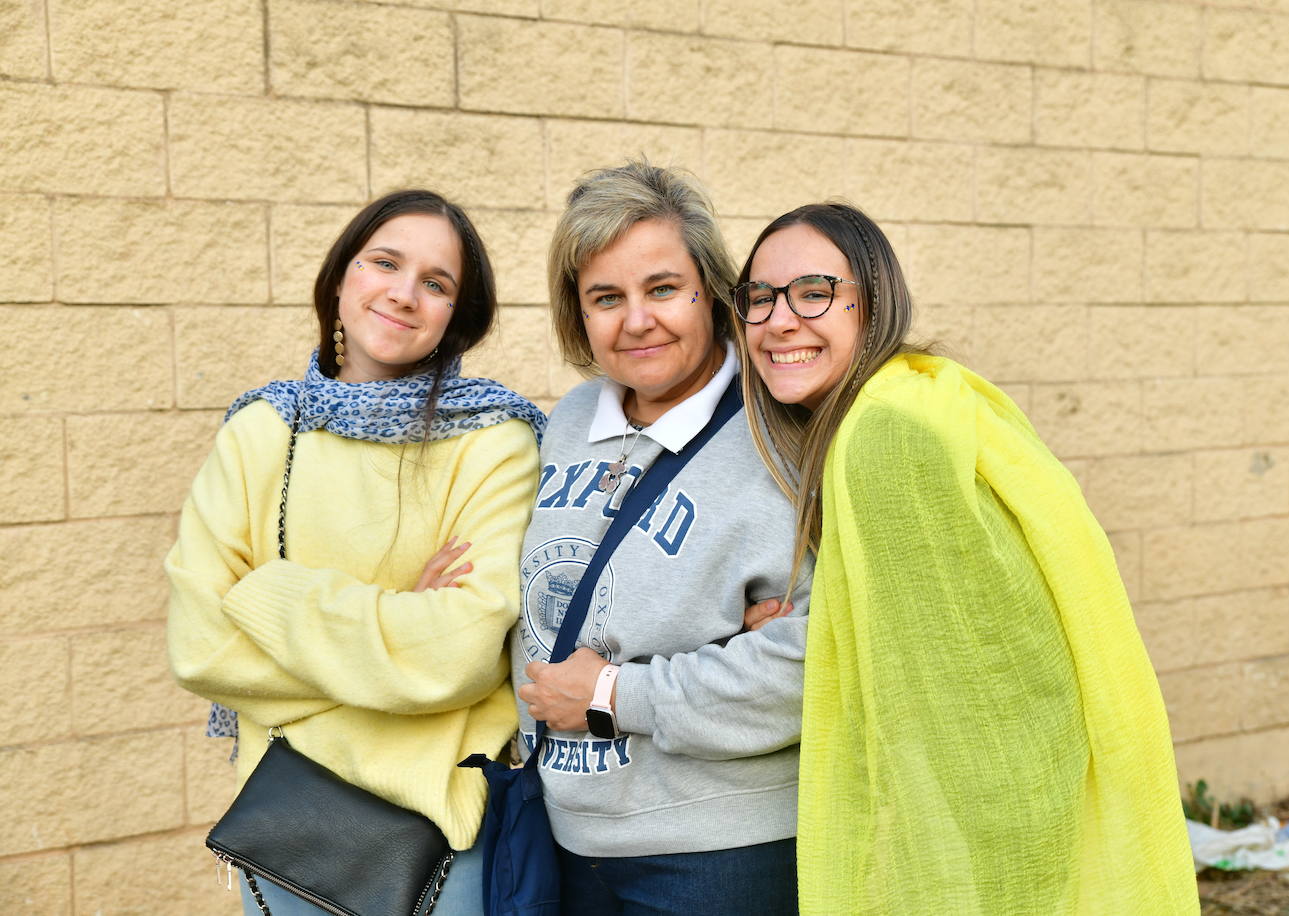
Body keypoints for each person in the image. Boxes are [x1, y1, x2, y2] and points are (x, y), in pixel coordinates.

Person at [732, 202, 1199, 914]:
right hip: (1024, 779)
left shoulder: (883, 438)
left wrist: (800, 635)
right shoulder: (918, 394)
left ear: (873, 303)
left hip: (984, 814)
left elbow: (923, 691)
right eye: (758, 299)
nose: (779, 321)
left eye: (815, 292)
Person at [165, 189, 545, 916]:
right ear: (342, 276)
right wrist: (401, 620)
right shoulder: (261, 431)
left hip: (437, 842)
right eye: (385, 263)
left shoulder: (496, 441)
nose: (404, 294)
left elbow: (457, 657)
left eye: (436, 284)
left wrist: (265, 596)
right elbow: (199, 646)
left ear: (456, 319)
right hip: (286, 833)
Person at [512, 161, 810, 915]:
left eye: (663, 289)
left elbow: (815, 657)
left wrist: (616, 694)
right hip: (569, 835)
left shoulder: (784, 433)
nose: (635, 320)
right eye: (605, 298)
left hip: (719, 852)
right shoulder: (571, 422)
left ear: (710, 292)